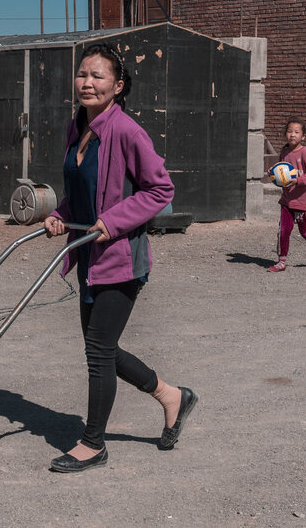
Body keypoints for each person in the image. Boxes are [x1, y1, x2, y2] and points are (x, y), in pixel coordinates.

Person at [42, 42, 197, 473]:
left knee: (98, 350)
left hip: (121, 258)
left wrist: (113, 221)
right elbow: (79, 192)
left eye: (98, 76)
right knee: (101, 349)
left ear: (118, 85)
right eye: (82, 74)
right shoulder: (77, 127)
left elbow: (160, 190)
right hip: (88, 256)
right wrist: (60, 214)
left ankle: (93, 444)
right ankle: (172, 396)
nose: (87, 83)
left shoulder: (128, 131)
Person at [263, 118, 306, 272]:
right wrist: (272, 174)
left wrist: (298, 181)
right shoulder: (284, 151)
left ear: (303, 136)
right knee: (283, 231)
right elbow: (281, 171)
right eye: (289, 131)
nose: (292, 135)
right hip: (286, 201)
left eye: (296, 132)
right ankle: (281, 261)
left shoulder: (305, 152)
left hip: (302, 201)